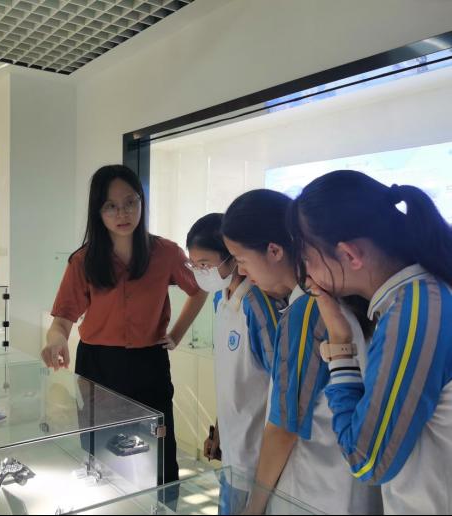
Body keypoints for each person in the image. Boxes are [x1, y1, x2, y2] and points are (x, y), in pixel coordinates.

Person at [288, 170, 452, 515]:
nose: (306, 273)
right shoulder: (420, 297)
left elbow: (366, 461)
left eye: (306, 259)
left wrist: (340, 350)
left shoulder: (415, 312)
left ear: (350, 254)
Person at [41, 164, 207, 483]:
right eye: (111, 206)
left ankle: (162, 502)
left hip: (149, 364)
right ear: (98, 211)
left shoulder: (166, 252)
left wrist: (176, 334)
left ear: (142, 201)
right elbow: (62, 321)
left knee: (158, 454)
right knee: (104, 455)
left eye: (131, 202)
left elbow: (200, 289)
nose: (123, 213)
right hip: (98, 366)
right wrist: (56, 340)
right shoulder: (83, 261)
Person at [222, 189, 380, 515]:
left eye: (242, 260)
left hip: (312, 492)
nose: (242, 273)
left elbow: (284, 428)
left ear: (274, 250)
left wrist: (254, 507)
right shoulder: (345, 300)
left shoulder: (307, 311)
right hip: (351, 492)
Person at [186, 213, 281, 514]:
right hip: (231, 446)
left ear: (232, 256)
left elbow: (279, 385)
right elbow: (229, 377)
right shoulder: (220, 301)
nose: (200, 272)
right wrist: (217, 431)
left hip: (255, 455)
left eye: (205, 264)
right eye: (194, 265)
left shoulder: (258, 306)